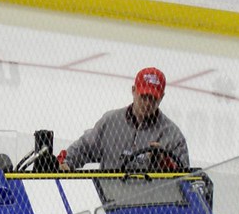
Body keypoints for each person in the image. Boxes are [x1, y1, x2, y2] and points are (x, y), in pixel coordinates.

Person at [58, 67, 190, 172]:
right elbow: (84, 148)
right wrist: (64, 162)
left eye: (153, 98)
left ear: (162, 97)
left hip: (151, 198)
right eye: (144, 97)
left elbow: (185, 178)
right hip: (109, 196)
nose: (147, 103)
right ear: (133, 90)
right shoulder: (111, 122)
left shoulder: (172, 136)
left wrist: (164, 163)